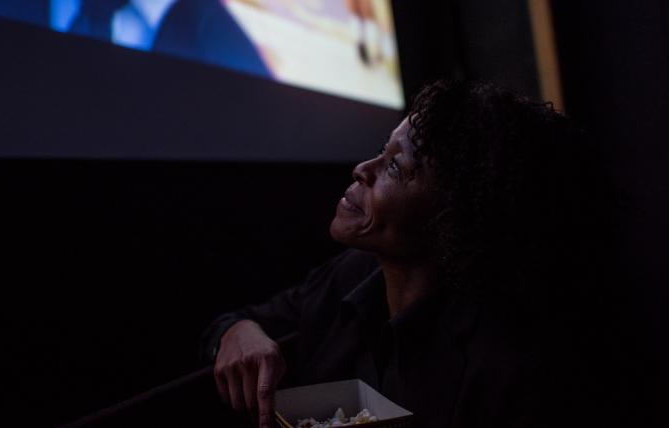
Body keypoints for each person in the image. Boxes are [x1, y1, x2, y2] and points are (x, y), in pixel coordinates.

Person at [199, 80, 619, 428]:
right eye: (383, 149)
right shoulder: (352, 275)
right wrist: (238, 333)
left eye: (396, 167)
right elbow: (235, 324)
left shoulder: (508, 370)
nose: (363, 168)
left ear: (453, 217)